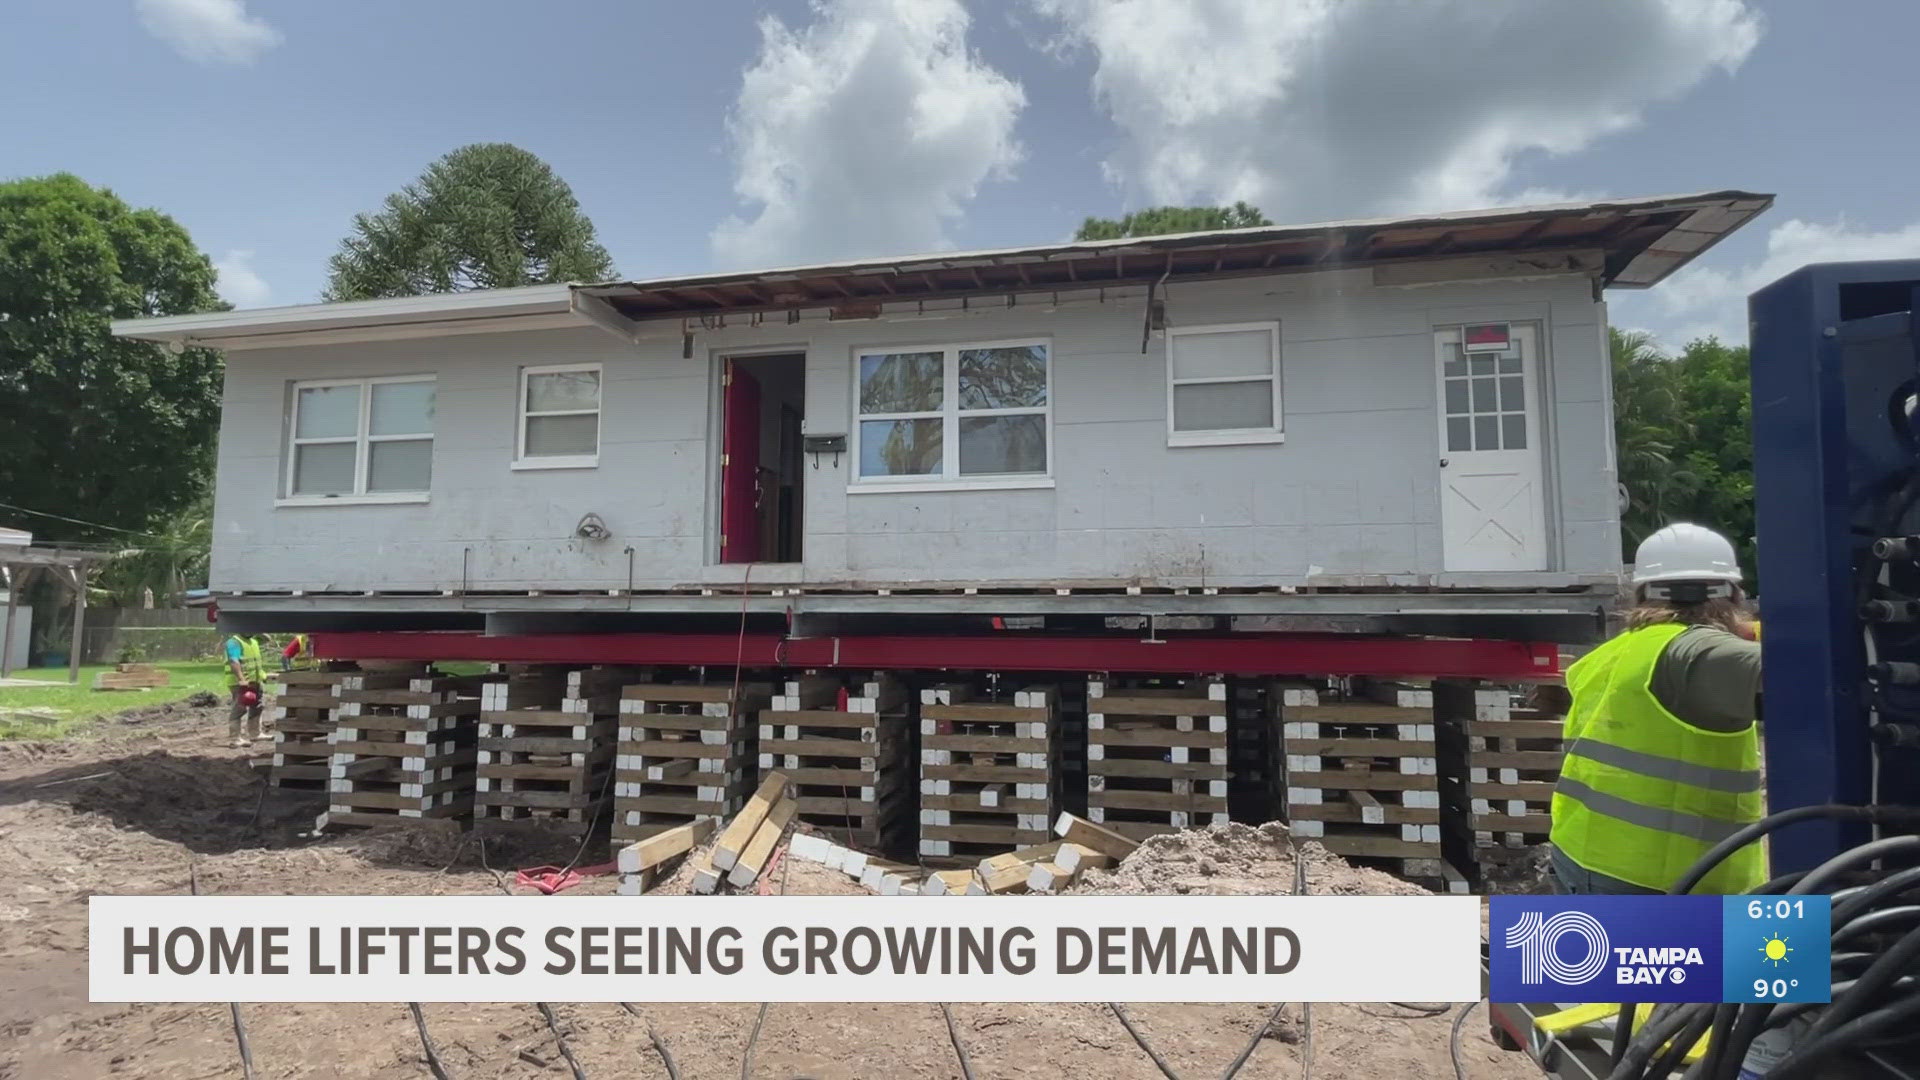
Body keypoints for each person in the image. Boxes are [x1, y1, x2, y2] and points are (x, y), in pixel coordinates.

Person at [1547, 523, 1764, 896]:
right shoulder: (1697, 654)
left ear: (1643, 595)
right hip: (1662, 885)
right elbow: (1801, 670)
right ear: (1732, 594)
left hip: (1580, 857)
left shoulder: (1612, 654)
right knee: (1786, 952)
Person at [223, 631, 268, 748]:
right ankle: (235, 738)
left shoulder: (253, 641)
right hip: (240, 682)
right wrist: (241, 679)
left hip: (255, 681)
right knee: (239, 708)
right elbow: (234, 661)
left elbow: (268, 638)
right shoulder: (234, 642)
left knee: (258, 706)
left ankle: (255, 733)